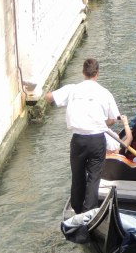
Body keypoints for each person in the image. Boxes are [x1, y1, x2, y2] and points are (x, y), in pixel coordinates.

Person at [44, 58, 122, 213]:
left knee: (77, 175)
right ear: (97, 73)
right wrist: (99, 123)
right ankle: (90, 211)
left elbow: (49, 97)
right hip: (97, 140)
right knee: (94, 177)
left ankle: (77, 209)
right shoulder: (104, 93)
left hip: (78, 140)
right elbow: (113, 119)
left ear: (83, 72)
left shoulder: (72, 89)